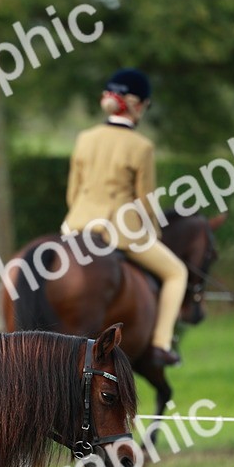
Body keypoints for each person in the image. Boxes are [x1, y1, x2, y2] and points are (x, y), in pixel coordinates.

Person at [62, 68, 188, 367]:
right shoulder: (142, 146)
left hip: (75, 226)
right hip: (119, 232)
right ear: (138, 105)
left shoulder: (85, 138)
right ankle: (160, 345)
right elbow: (145, 202)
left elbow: (72, 193)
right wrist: (154, 233)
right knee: (177, 273)